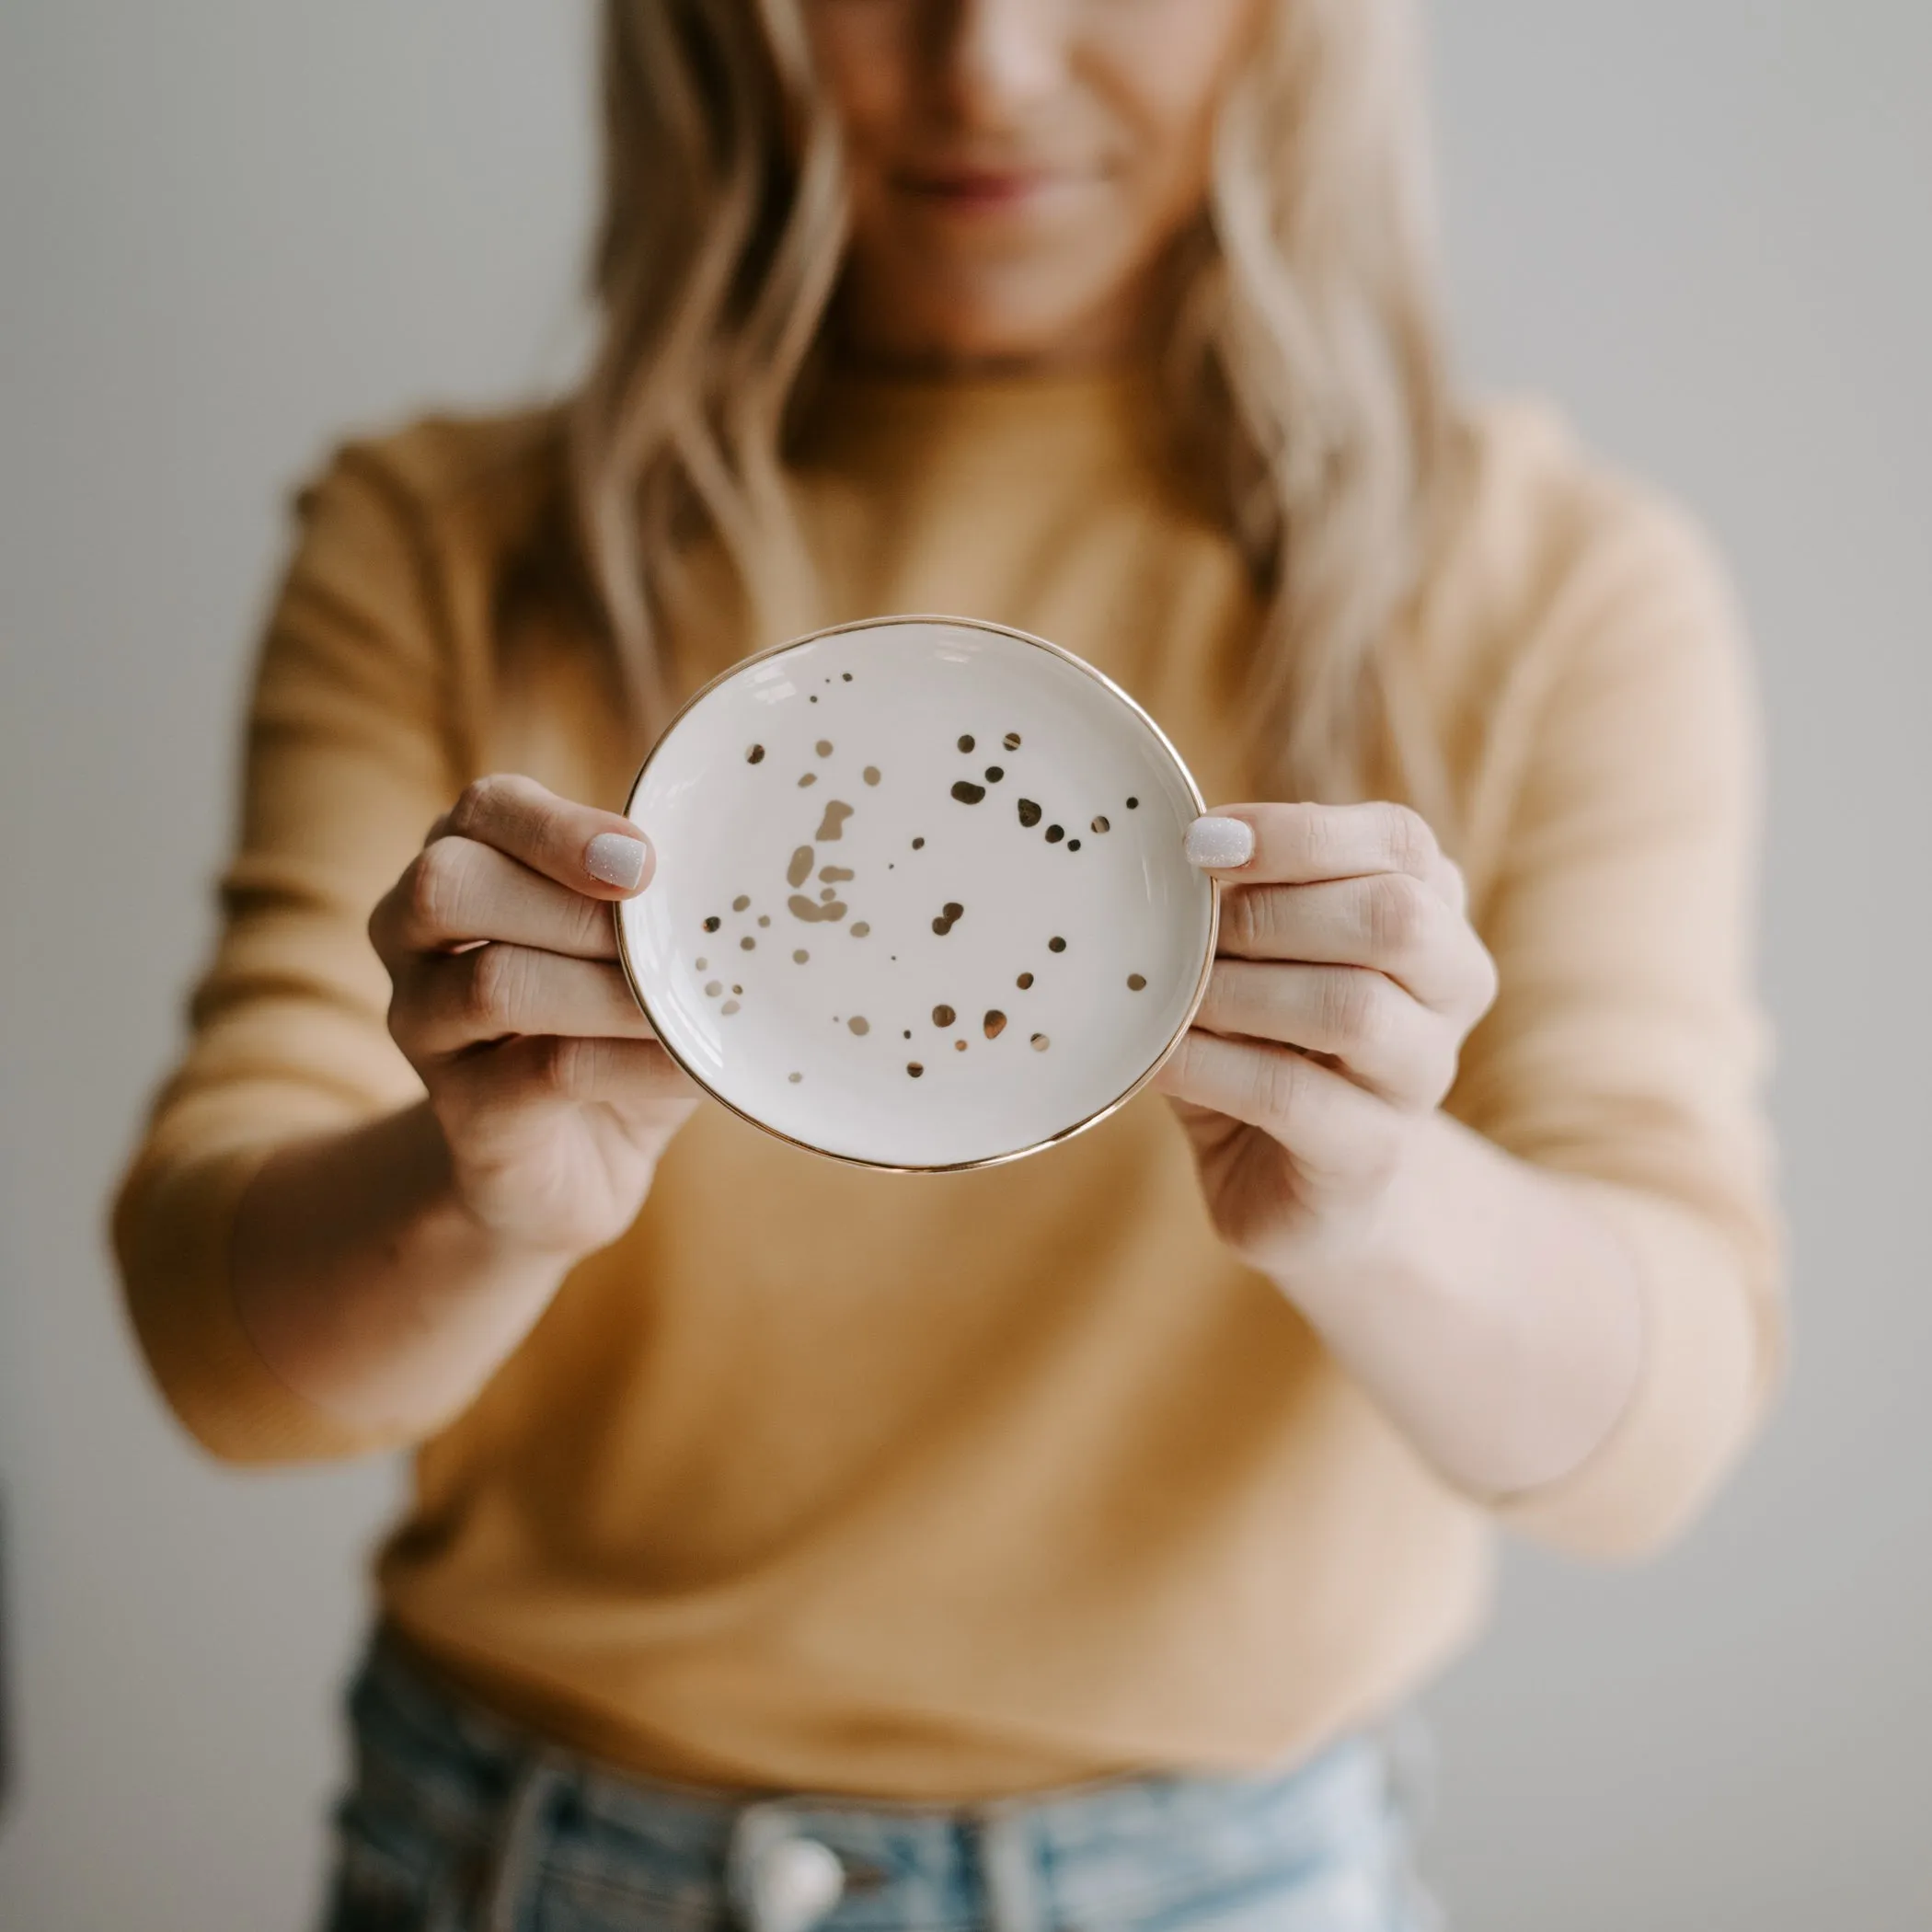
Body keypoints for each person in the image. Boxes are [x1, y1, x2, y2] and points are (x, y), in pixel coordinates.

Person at [111, 2, 1785, 1926]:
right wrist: (477, 1194)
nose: (984, 64)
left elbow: (1655, 1436)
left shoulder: (1550, 583)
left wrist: (1379, 1203)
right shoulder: (444, 546)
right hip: (523, 1859)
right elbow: (217, 1352)